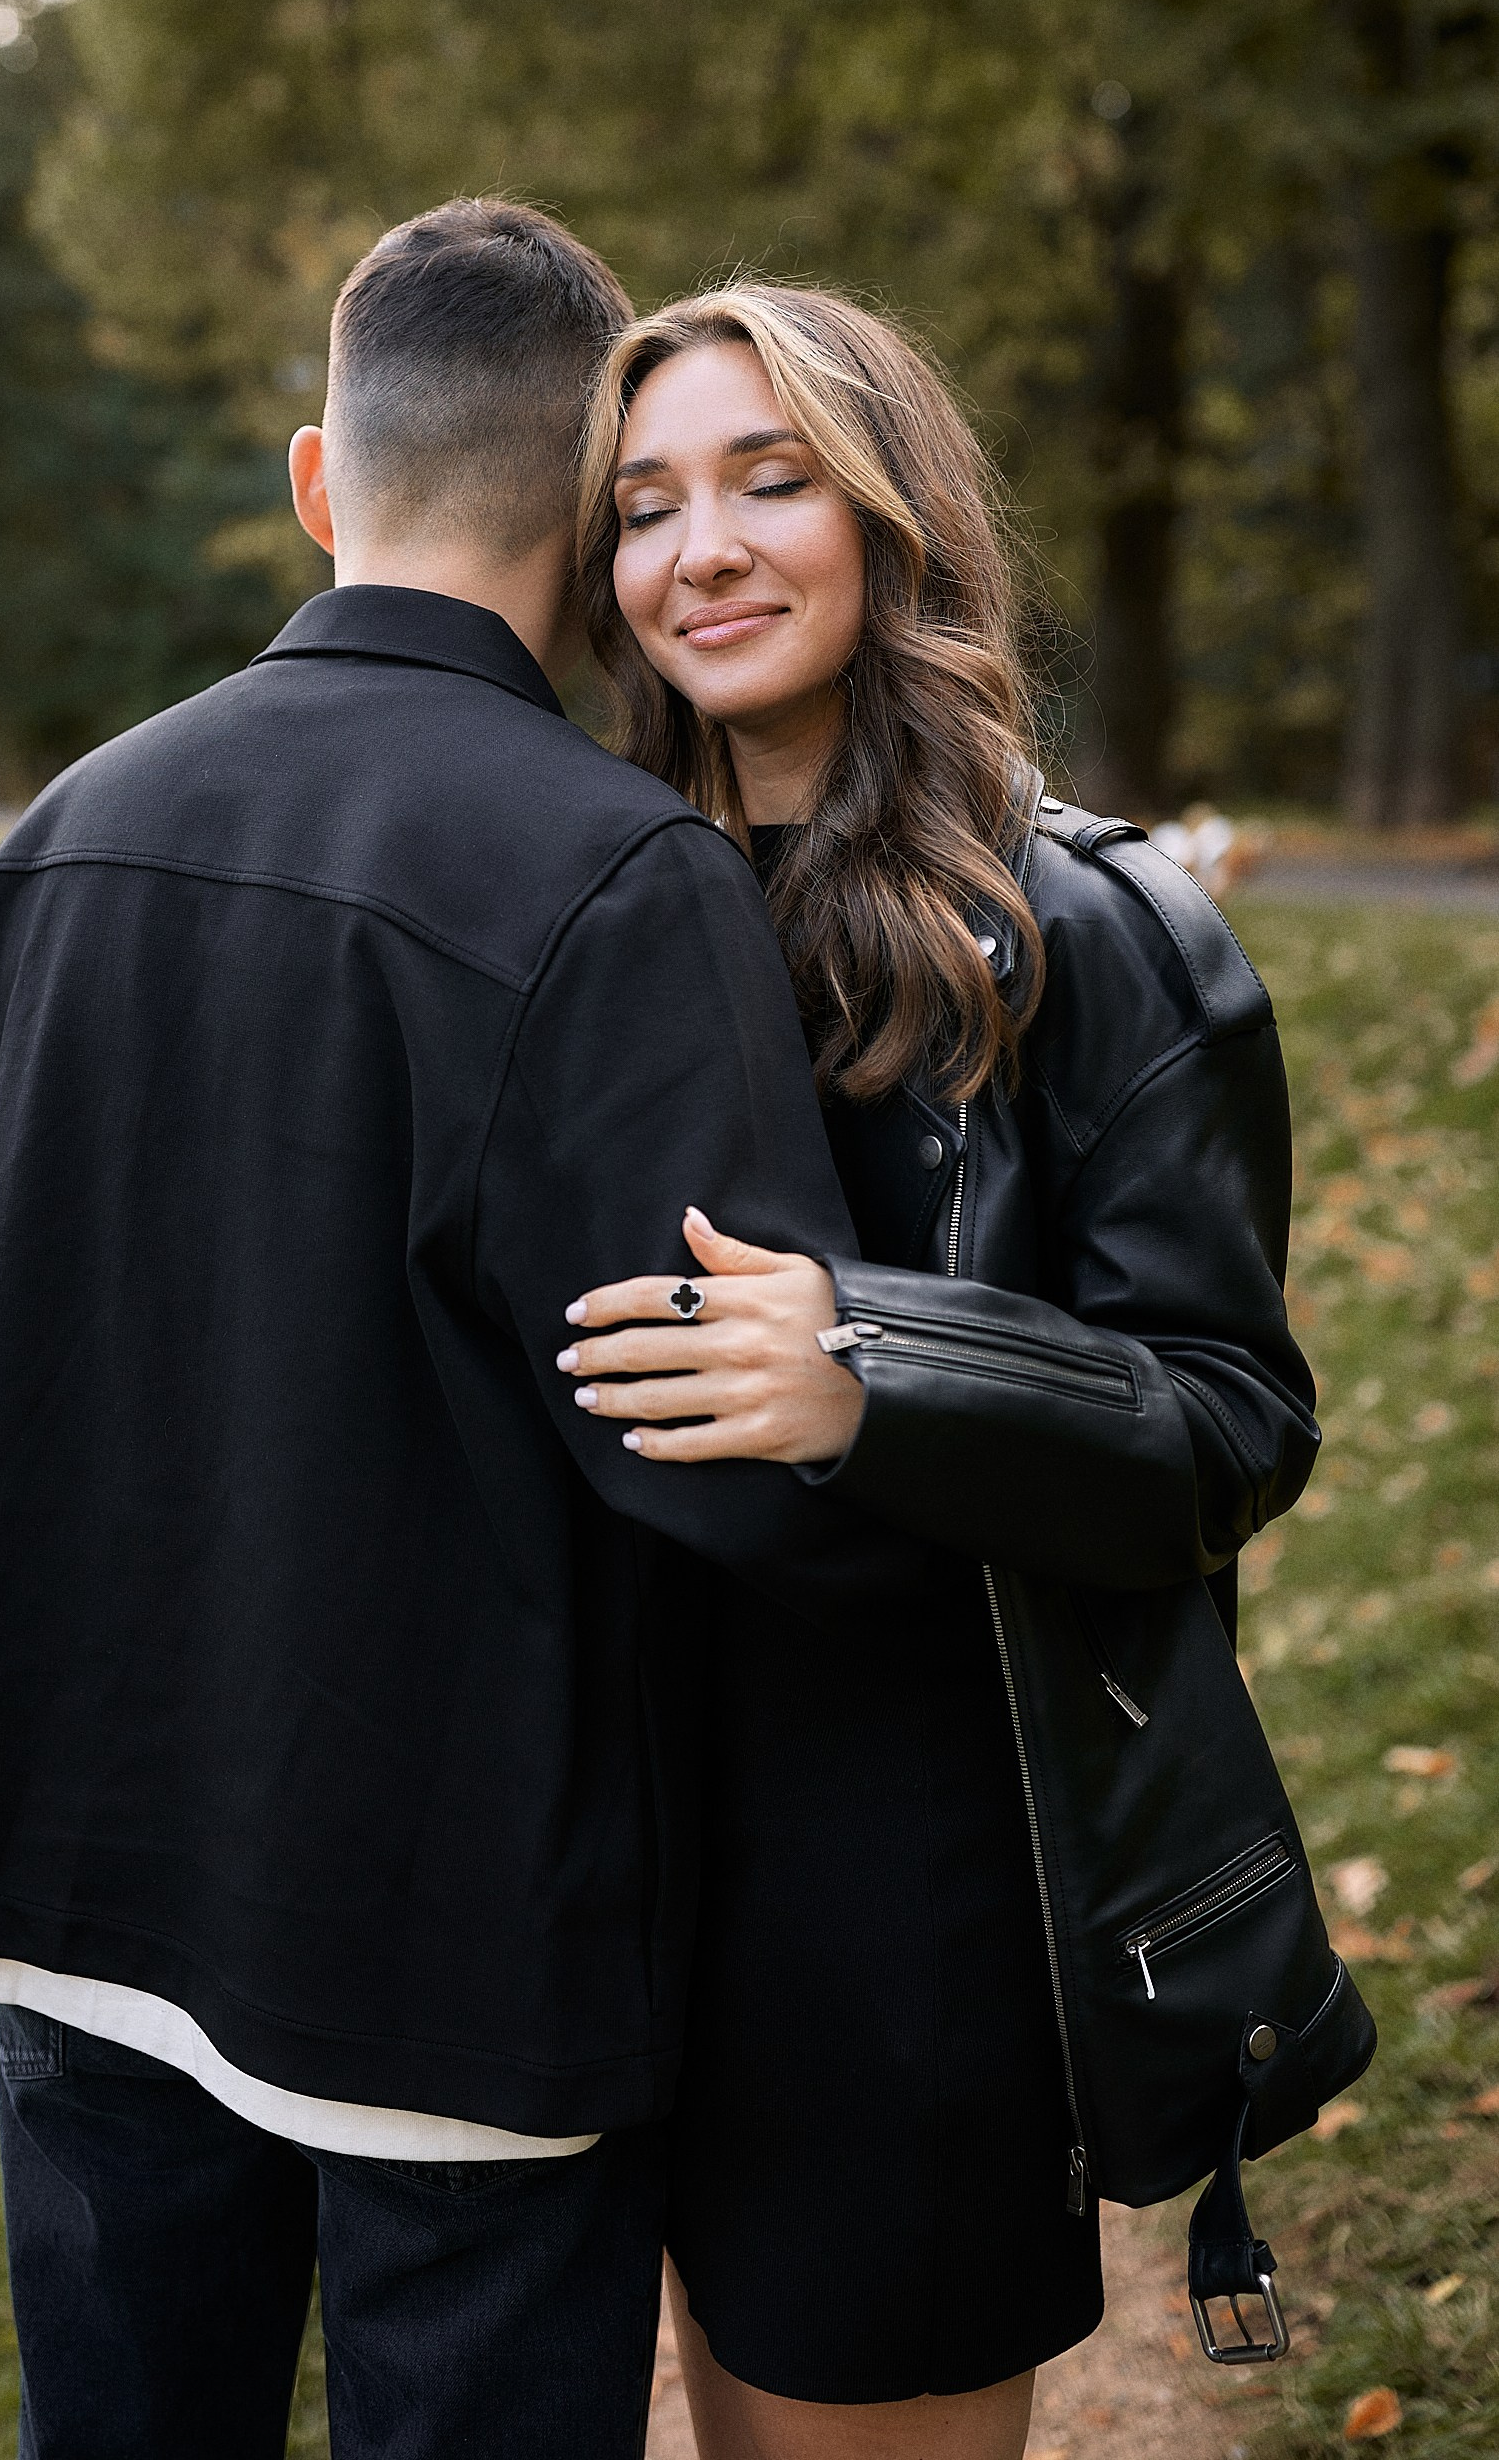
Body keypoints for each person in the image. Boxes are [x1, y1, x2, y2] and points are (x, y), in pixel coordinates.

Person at [0, 205, 861, 2460]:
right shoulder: (619, 876)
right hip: (460, 1940)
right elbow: (715, 1469)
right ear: (589, 513)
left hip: (74, 1881)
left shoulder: (58, 838)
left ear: (323, 478)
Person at [558, 285, 1322, 2460]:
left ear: (891, 519)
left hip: (912, 1884)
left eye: (764, 479)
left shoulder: (1100, 933)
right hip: (614, 1849)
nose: (696, 547)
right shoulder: (598, 903)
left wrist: (874, 1366)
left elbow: (1223, 1416)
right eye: (640, 505)